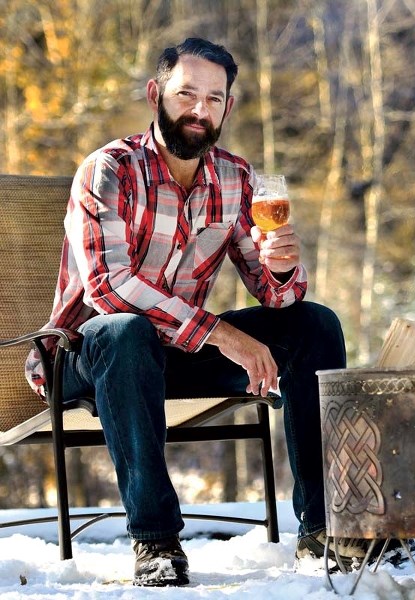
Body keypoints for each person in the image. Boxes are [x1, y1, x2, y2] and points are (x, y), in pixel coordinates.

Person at [25, 37, 386, 586]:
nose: (199, 109)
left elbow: (277, 298)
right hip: (90, 358)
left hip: (180, 355)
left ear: (228, 108)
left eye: (213, 99)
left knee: (314, 324)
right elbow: (108, 289)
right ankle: (156, 543)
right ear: (155, 94)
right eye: (186, 94)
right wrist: (220, 332)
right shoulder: (109, 170)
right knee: (125, 331)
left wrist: (283, 268)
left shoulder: (236, 179)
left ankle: (326, 529)